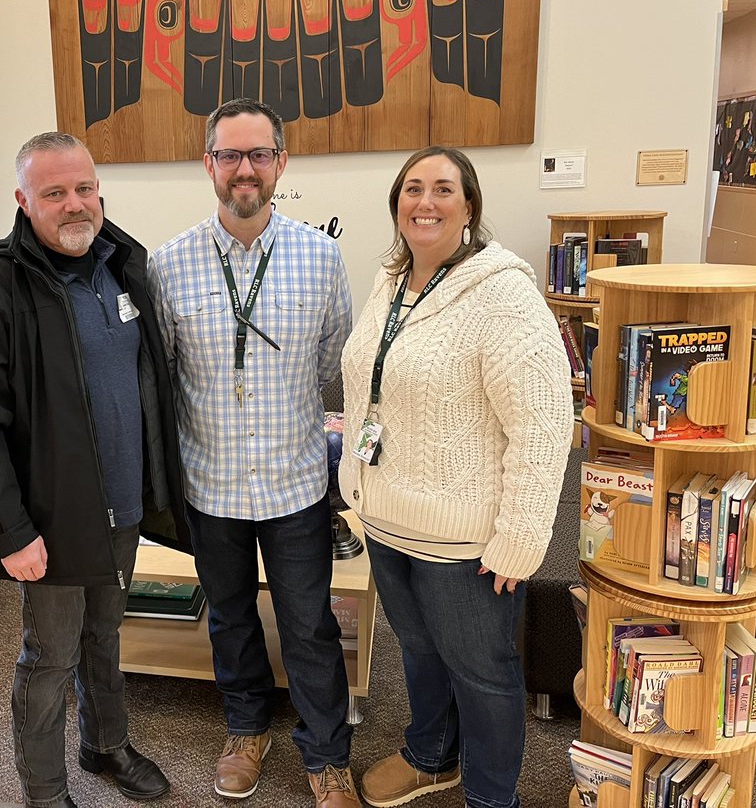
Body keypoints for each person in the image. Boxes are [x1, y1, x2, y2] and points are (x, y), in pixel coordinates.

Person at [0, 132, 191, 808]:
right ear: (24, 201)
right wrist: (11, 531)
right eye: (54, 193)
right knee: (49, 657)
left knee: (105, 635)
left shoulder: (123, 265)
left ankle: (105, 744)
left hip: (123, 506)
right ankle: (44, 792)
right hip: (50, 518)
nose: (74, 204)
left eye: (84, 189)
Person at [338, 147, 574, 808]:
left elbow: (545, 422)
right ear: (397, 204)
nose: (426, 201)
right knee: (417, 650)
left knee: (484, 674)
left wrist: (521, 540)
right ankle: (432, 756)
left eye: (443, 188)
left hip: (463, 541)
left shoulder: (503, 293)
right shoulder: (390, 281)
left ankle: (491, 797)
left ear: (468, 206)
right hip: (386, 519)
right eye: (412, 188)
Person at [148, 98, 359, 808]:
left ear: (281, 164)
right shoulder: (167, 265)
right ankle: (246, 729)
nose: (245, 168)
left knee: (309, 625)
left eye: (258, 154)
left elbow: (332, 359)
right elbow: (167, 374)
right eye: (230, 155)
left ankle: (327, 755)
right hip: (210, 487)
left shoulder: (322, 258)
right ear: (209, 164)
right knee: (231, 618)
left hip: (297, 485)